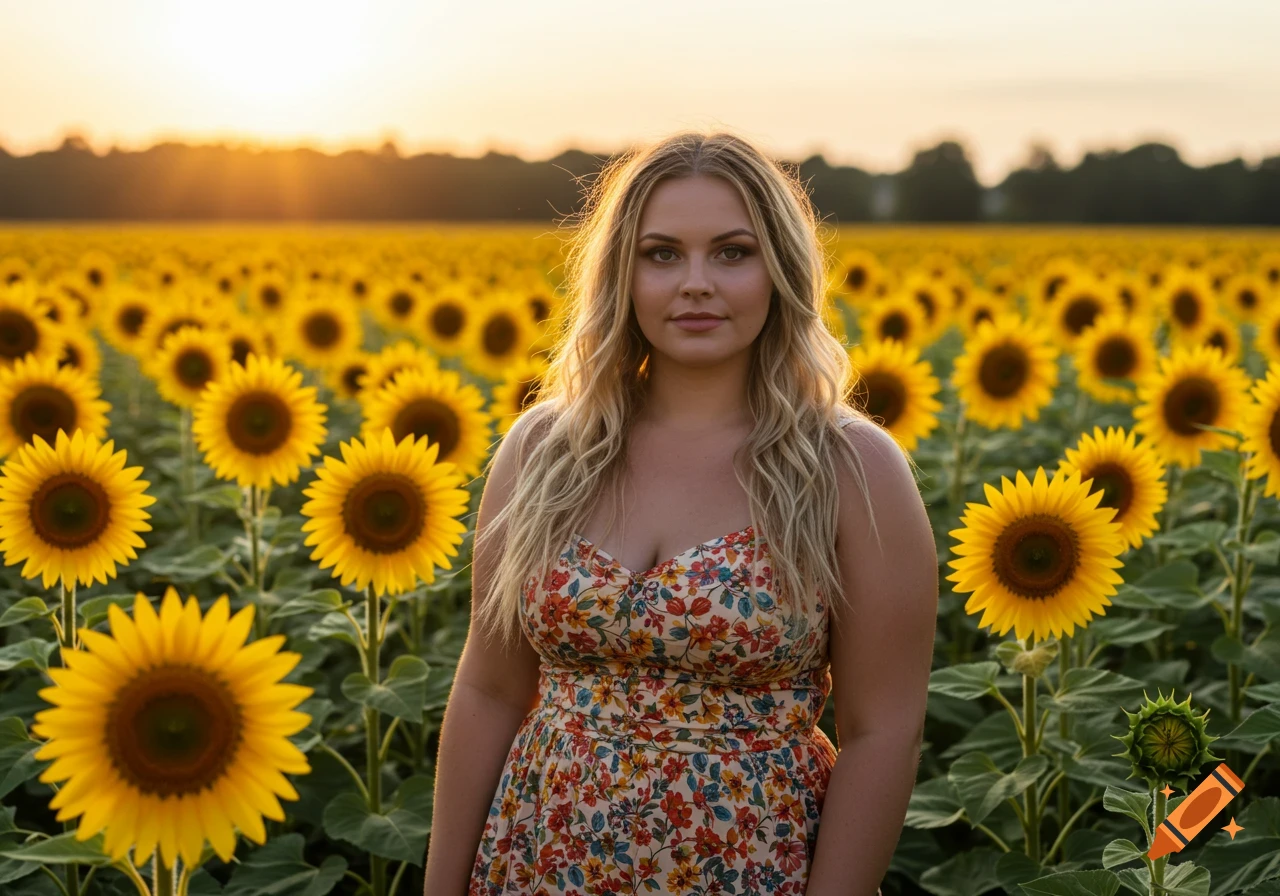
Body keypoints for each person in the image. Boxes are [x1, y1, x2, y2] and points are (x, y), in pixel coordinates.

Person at [423, 131, 937, 896]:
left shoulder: (849, 469)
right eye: (661, 254)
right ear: (620, 275)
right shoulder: (544, 452)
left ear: (781, 271)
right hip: (535, 862)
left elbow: (881, 732)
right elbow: (490, 689)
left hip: (745, 866)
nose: (696, 282)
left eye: (732, 252)